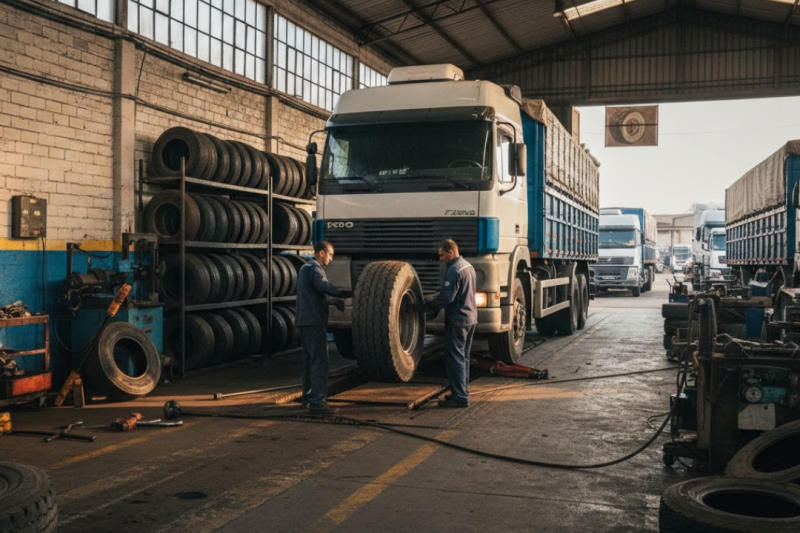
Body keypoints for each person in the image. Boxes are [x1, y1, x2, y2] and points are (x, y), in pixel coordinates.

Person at [295, 240, 353, 414]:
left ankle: (308, 398)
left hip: (304, 321)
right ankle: (318, 403)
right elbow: (323, 286)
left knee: (309, 361)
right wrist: (344, 292)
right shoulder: (316, 268)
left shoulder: (304, 268)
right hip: (314, 321)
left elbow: (316, 295)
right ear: (321, 253)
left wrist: (335, 301)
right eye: (330, 254)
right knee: (320, 362)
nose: (331, 258)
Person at [422, 239, 477, 408]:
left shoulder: (454, 269)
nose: (440, 259)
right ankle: (461, 392)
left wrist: (426, 306)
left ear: (450, 252)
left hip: (458, 321)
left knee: (455, 359)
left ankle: (460, 397)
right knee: (463, 358)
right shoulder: (468, 266)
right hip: (470, 318)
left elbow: (447, 297)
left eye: (442, 255)